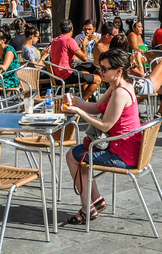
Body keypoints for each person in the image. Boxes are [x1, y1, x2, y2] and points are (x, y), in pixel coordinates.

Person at [63, 48, 142, 225]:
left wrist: (77, 112)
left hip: (122, 154)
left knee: (73, 155)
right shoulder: (118, 86)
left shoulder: (120, 93)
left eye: (104, 69)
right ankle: (96, 200)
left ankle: (87, 209)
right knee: (79, 155)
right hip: (125, 147)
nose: (100, 72)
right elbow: (97, 107)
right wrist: (77, 101)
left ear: (119, 70)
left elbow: (106, 125)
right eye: (100, 68)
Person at [49, 20, 101, 100]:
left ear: (60, 30)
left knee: (84, 75)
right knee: (98, 79)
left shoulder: (55, 40)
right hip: (66, 75)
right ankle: (81, 101)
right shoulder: (69, 40)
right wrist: (84, 44)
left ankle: (84, 102)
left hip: (56, 75)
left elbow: (63, 56)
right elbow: (84, 58)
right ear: (72, 29)